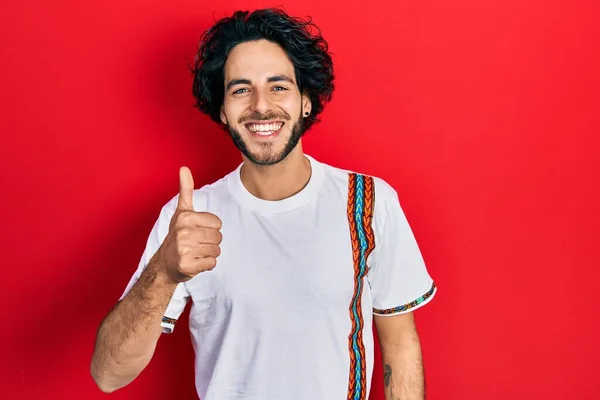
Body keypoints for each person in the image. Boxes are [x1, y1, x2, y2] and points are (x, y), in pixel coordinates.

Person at [90, 7, 437, 400]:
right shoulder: (188, 218)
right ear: (223, 111)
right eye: (240, 89)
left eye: (278, 86)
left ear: (306, 100)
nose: (259, 105)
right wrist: (165, 272)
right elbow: (108, 375)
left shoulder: (369, 203)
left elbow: (400, 345)